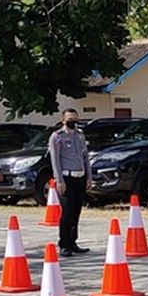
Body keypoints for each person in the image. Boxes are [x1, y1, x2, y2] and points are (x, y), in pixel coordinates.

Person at [47, 108, 91, 257]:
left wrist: (88, 178)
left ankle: (73, 242)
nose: (73, 122)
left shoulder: (80, 136)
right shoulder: (57, 137)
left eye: (75, 119)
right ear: (63, 120)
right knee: (67, 212)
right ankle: (64, 243)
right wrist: (59, 180)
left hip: (80, 177)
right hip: (66, 178)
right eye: (70, 119)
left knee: (77, 211)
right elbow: (55, 160)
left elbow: (85, 158)